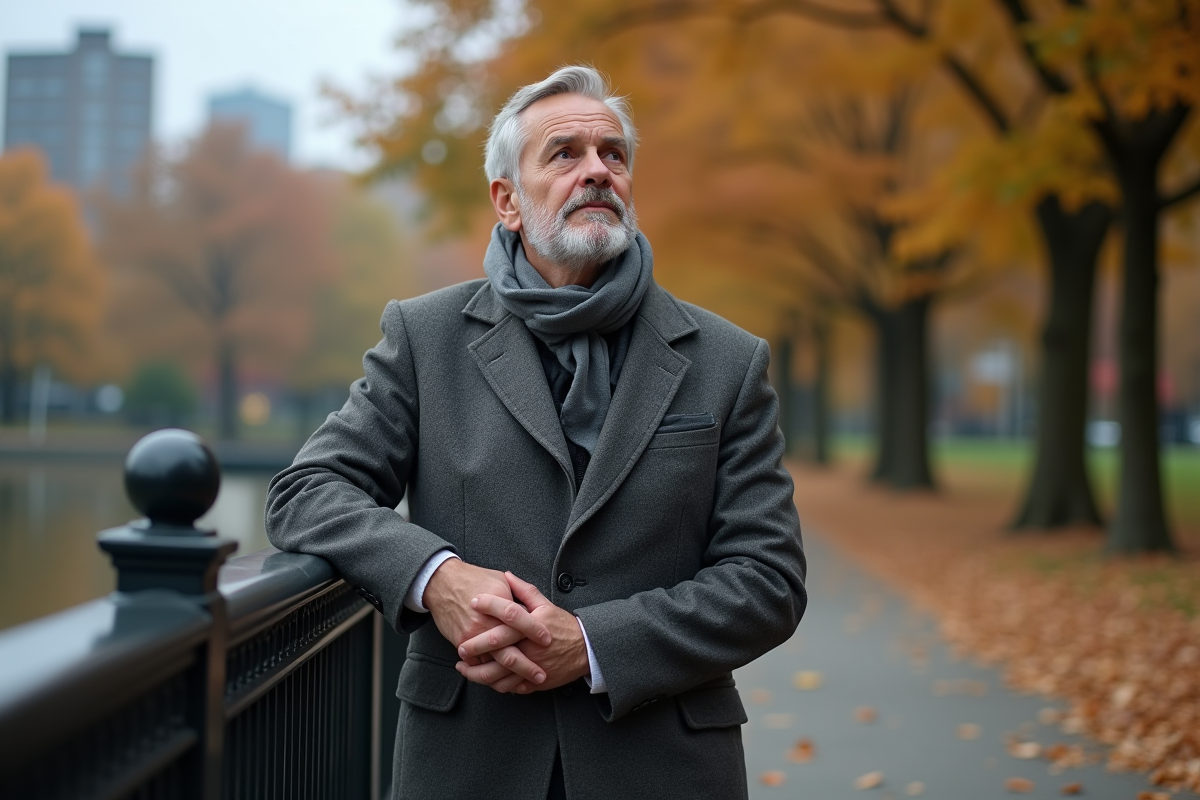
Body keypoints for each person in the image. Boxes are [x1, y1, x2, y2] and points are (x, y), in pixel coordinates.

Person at [266, 65, 807, 800]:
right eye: (564, 154)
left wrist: (589, 645)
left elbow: (768, 580)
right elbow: (307, 490)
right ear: (508, 200)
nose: (598, 170)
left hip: (664, 767)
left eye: (613, 154)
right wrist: (437, 579)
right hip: (468, 763)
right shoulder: (425, 338)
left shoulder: (727, 360)